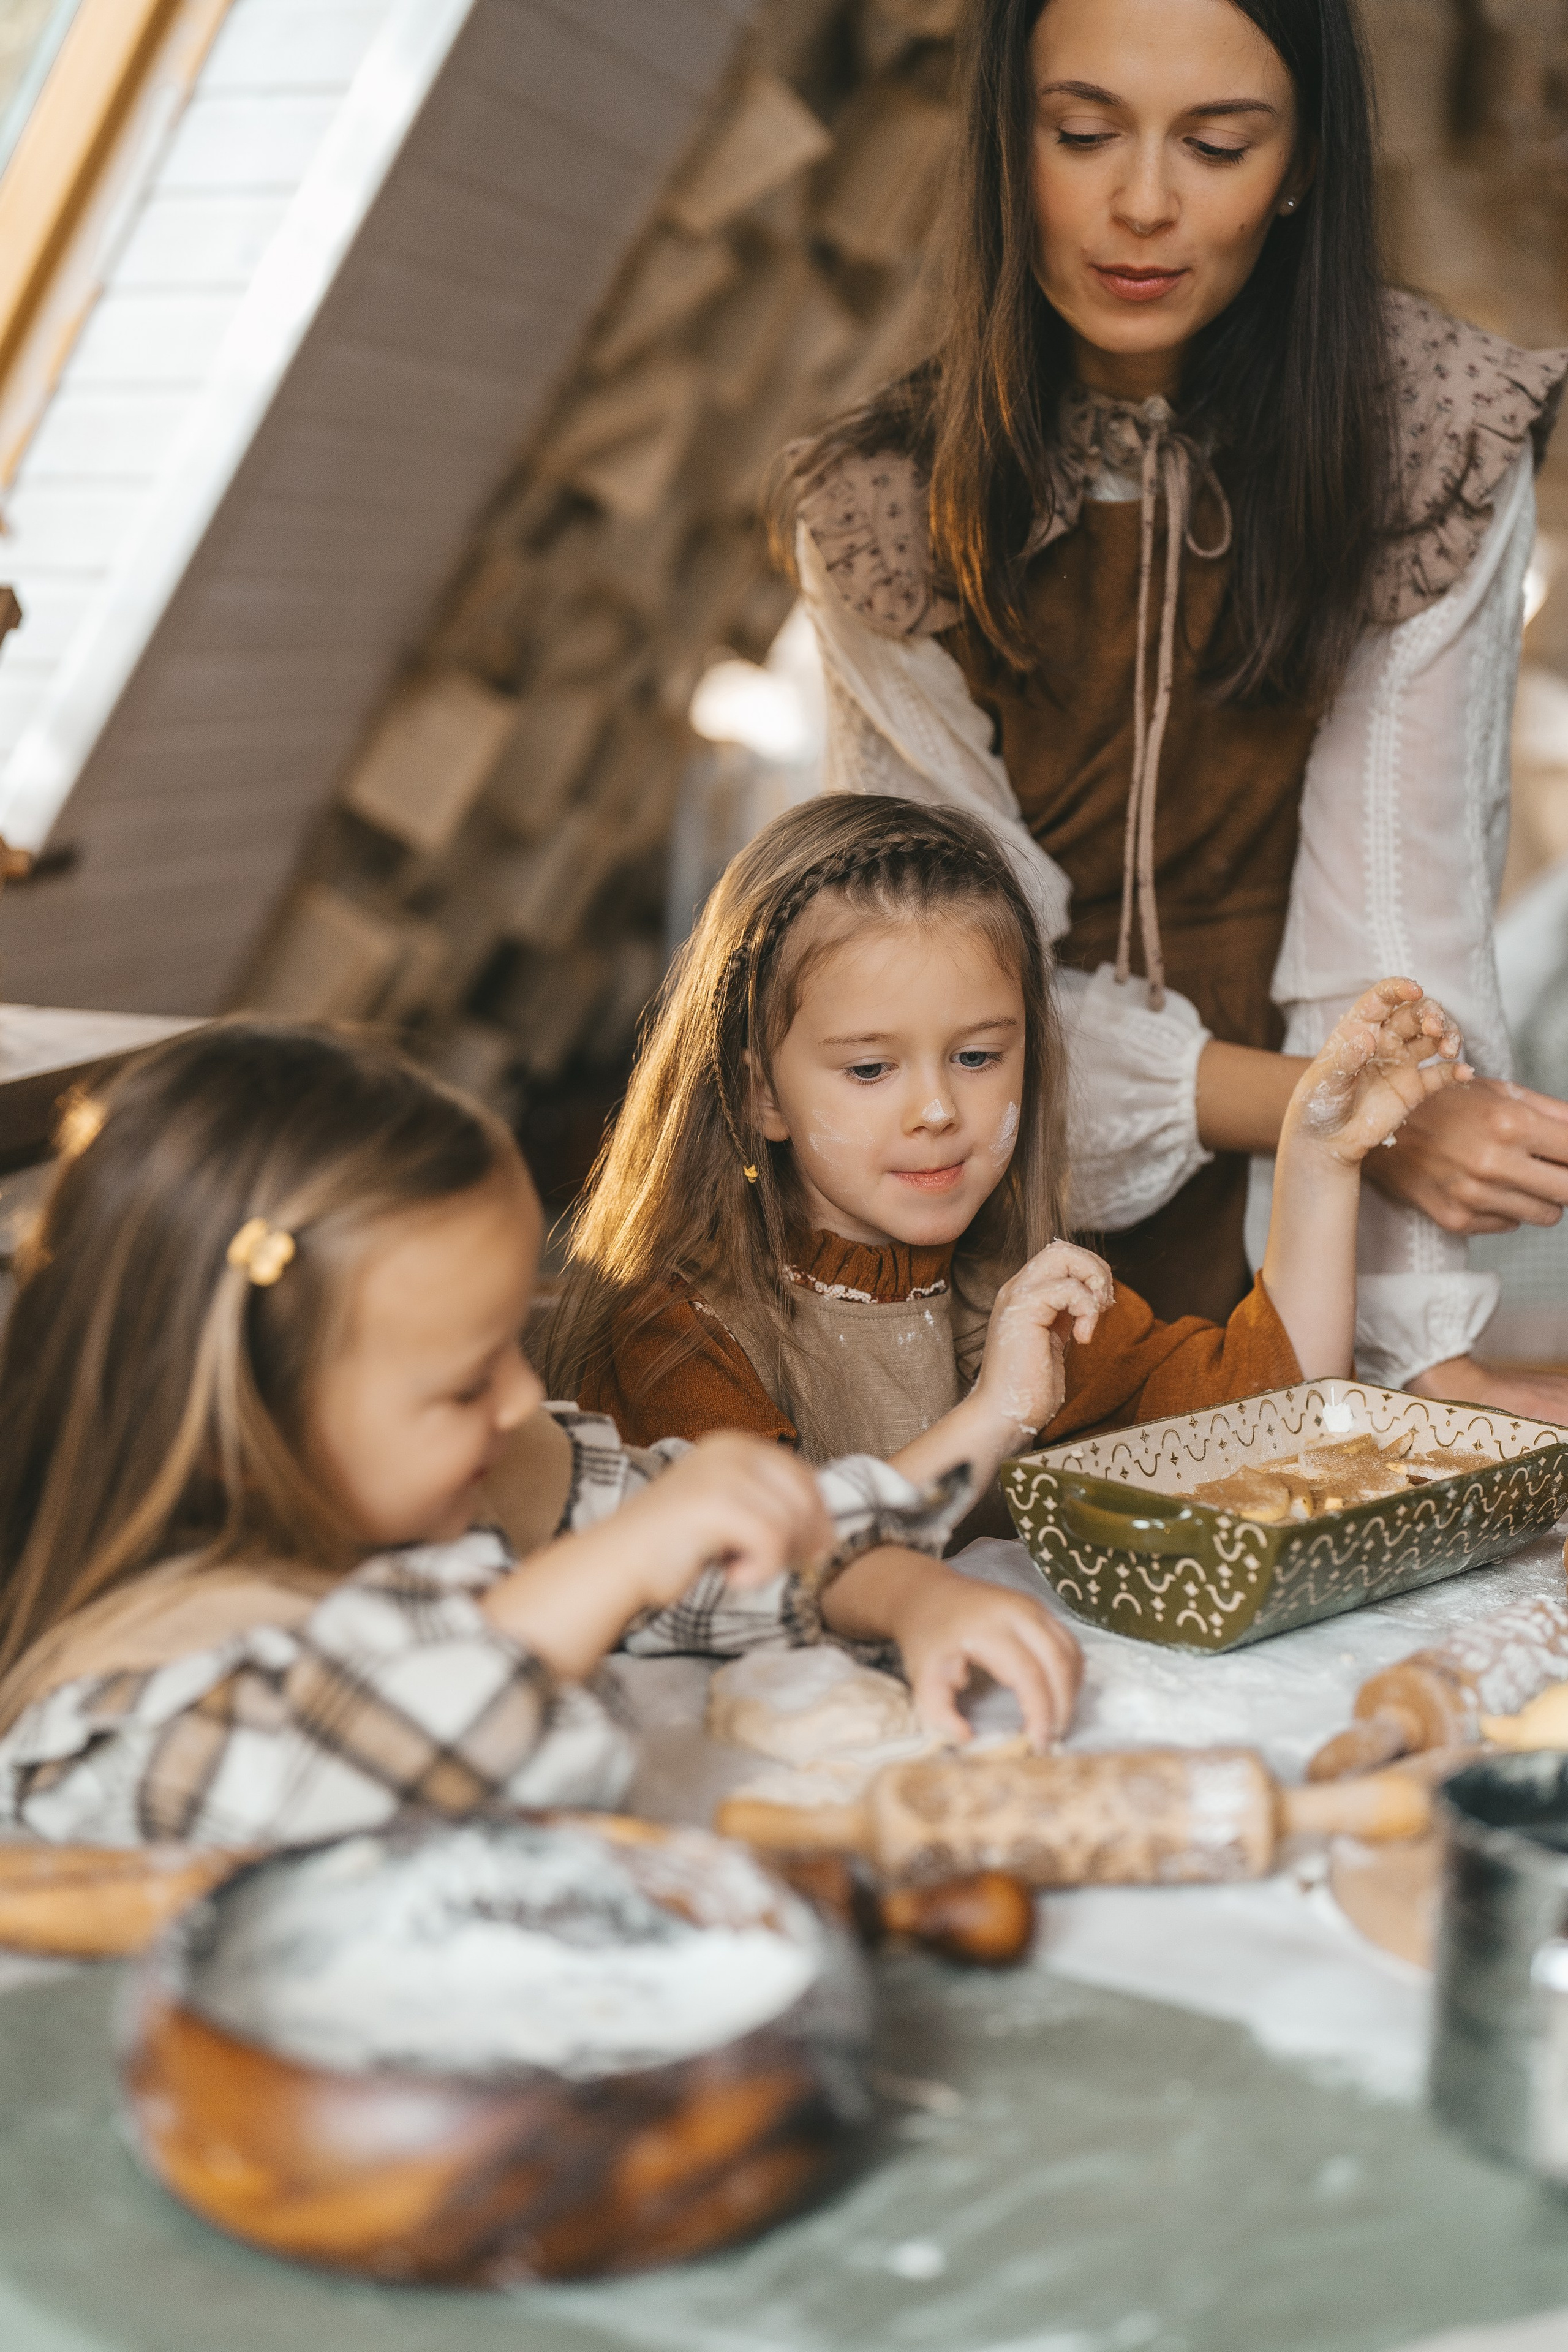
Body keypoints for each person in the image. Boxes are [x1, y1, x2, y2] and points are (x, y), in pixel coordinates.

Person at [779, 0, 1568, 1418]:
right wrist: (1353, 1120)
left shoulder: (1427, 439)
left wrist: (1415, 1352)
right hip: (952, 1225)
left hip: (1290, 1242)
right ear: (1003, 141)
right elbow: (935, 992)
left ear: (1304, 162)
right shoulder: (884, 504)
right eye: (1081, 134)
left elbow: (1396, 924)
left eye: (1214, 144)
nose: (1138, 204)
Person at [0, 1025, 1084, 1846]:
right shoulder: (122, 1694)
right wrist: (607, 1570)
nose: (524, 1397)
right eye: (466, 1382)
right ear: (245, 1431)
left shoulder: (475, 1484)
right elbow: (369, 1755)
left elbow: (720, 1545)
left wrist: (911, 1595)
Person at [548, 799, 1468, 1509]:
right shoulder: (679, 1335)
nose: (940, 1109)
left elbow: (1272, 1418)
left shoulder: (1022, 1301)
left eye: (979, 1057)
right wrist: (996, 1415)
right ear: (759, 1092)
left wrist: (1321, 1155)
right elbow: (782, 1578)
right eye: (871, 1068)